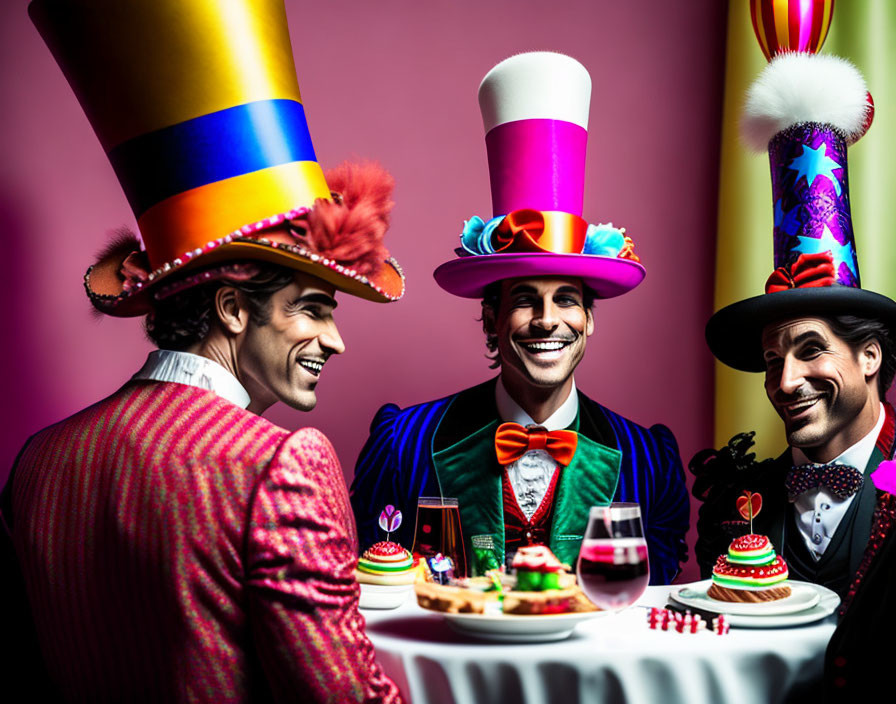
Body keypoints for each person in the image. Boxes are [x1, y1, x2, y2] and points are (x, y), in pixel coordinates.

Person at [1, 1, 404, 701]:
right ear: (231, 308)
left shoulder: (39, 460)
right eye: (312, 309)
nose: (336, 340)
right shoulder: (281, 464)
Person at [350, 52, 689, 583]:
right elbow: (375, 595)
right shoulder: (402, 443)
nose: (547, 320)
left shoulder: (648, 459)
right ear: (491, 319)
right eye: (525, 299)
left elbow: (649, 610)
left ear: (590, 319)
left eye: (567, 300)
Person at [690, 46, 896, 599]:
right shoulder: (737, 498)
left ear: (870, 355)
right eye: (772, 361)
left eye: (810, 349)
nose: (784, 383)